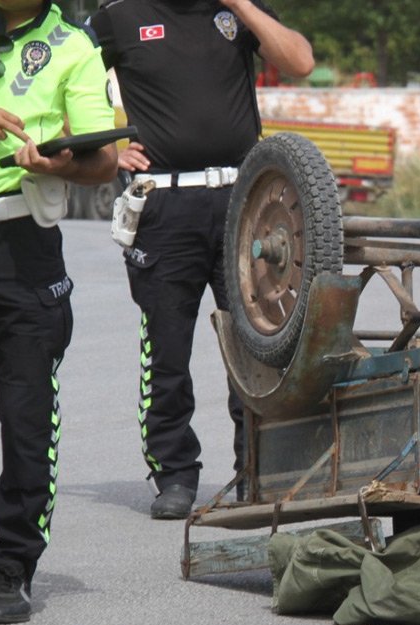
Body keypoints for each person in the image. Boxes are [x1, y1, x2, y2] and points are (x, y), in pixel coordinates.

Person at [88, 0, 312, 519]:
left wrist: (241, 5)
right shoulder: (119, 17)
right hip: (165, 204)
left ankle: (255, 470)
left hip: (245, 200)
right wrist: (105, 151)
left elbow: (300, 61)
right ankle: (174, 475)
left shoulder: (235, 12)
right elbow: (67, 80)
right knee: (167, 350)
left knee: (258, 346)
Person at [0, 0, 119, 622]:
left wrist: (57, 162)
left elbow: (104, 162)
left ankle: (10, 563)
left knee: (26, 416)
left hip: (21, 244)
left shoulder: (75, 48)